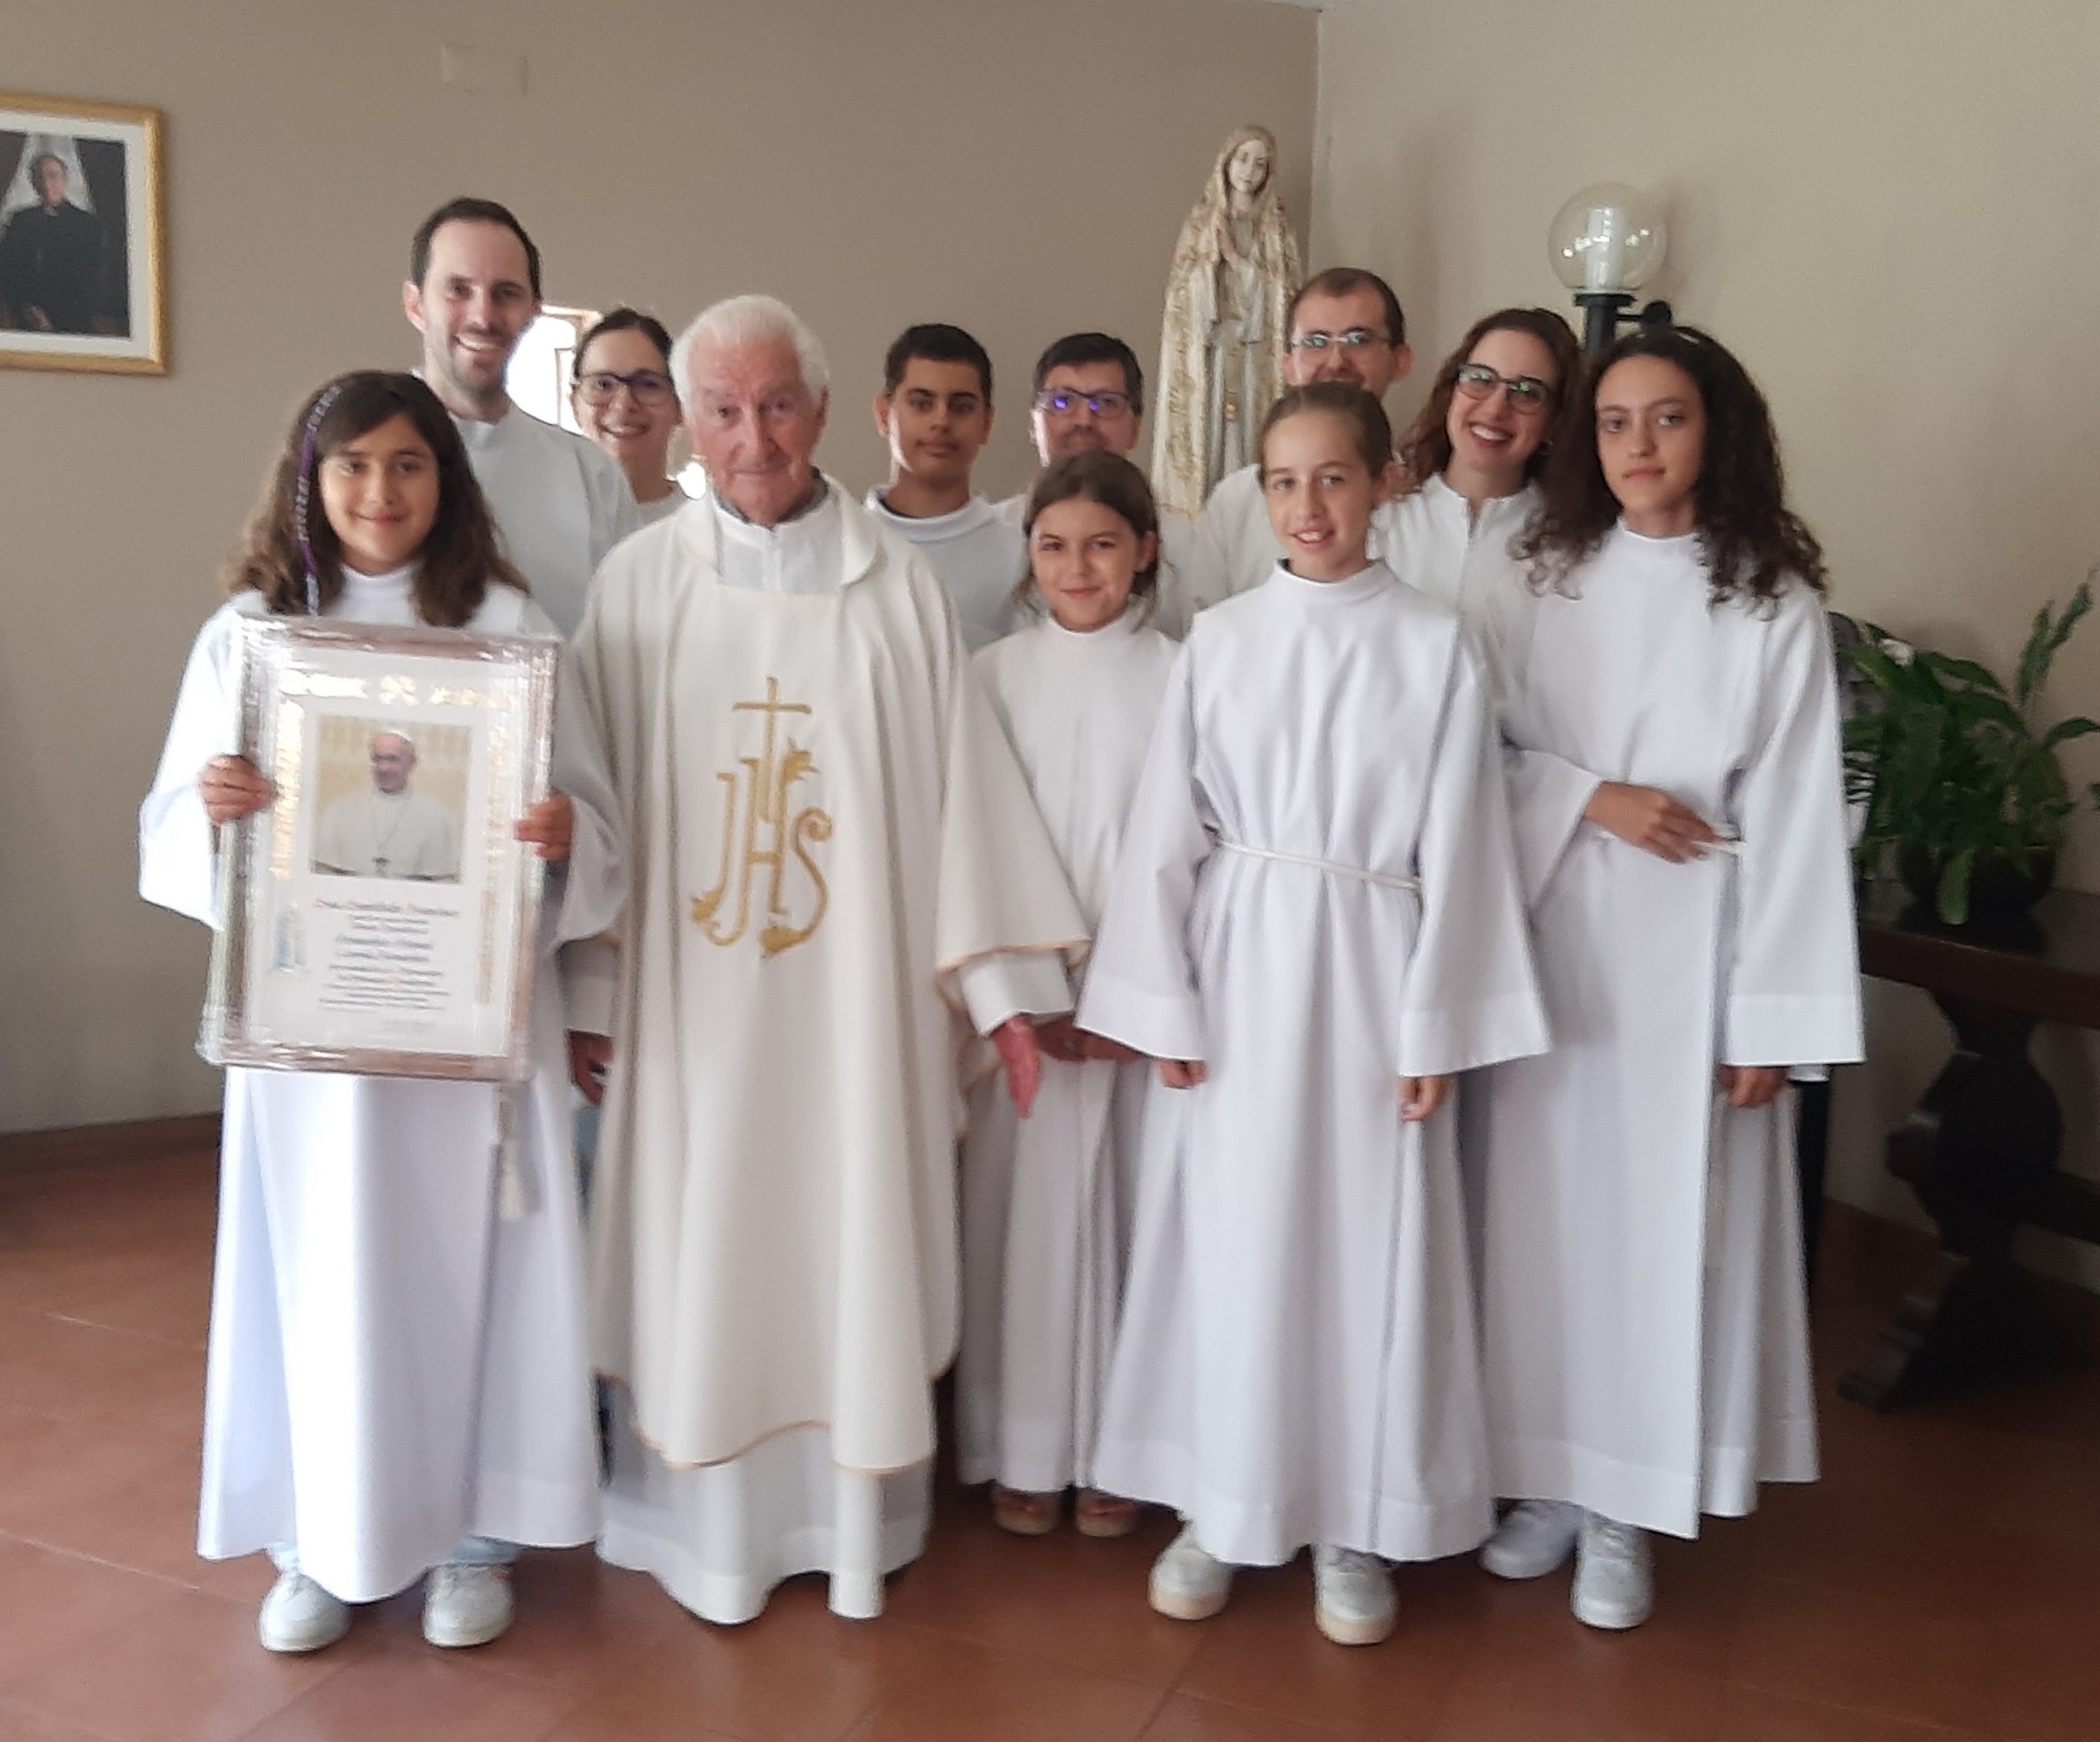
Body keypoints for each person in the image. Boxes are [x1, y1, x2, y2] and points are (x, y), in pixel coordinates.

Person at [563, 294, 1090, 1627]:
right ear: (691, 422)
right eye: (724, 411)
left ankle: (851, 1528)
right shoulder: (637, 590)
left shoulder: (894, 590)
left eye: (778, 406)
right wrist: (591, 991)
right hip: (690, 1014)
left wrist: (999, 998)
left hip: (860, 1012)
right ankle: (705, 1531)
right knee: (705, 1242)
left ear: (822, 409)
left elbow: (963, 806)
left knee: (847, 1225)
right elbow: (594, 809)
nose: (755, 439)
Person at [137, 371, 619, 1655]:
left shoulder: (508, 624)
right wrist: (215, 812)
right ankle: (315, 1537)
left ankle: (474, 1535)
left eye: (408, 464)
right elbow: (169, 827)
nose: (380, 491)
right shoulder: (254, 634)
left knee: (467, 1269)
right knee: (321, 1268)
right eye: (352, 466)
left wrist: (563, 835)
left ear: (444, 481)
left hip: (469, 1034)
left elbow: (597, 820)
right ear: (310, 482)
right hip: (315, 1042)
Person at [1077, 383, 1547, 1647]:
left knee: (1359, 1243)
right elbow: (1168, 833)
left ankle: (1352, 1517)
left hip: (1374, 968)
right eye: (1284, 482)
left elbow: (1465, 841)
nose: (1308, 506)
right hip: (1240, 966)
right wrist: (1164, 1006)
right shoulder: (1223, 638)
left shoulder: (1436, 642)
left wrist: (1438, 1027)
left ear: (1383, 481)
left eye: (1333, 477)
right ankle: (1218, 1498)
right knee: (1230, 1238)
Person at [1472, 326, 1862, 1631]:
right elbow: (1475, 751)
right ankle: (1546, 1477)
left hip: (1696, 951)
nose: (1638, 445)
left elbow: (1801, 819)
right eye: (1615, 420)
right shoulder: (1538, 576)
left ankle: (1629, 1505)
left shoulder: (1770, 606)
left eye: (1669, 417)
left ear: (1719, 431)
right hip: (1555, 939)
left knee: (1661, 1230)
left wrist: (1771, 1019)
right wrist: (1593, 797)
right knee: (1542, 1220)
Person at [957, 451, 1178, 1540]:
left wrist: (1135, 1001)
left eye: (1101, 544)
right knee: (1025, 1235)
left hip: (1137, 1013)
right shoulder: (989, 678)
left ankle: (1124, 1447)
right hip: (1028, 1018)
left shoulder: (1187, 675)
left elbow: (1197, 848)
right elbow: (968, 848)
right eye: (1052, 546)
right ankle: (1026, 1444)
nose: (1076, 567)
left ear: (1145, 553)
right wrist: (1020, 995)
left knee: (1138, 1227)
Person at [403, 196, 639, 635]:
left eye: (505, 294)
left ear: (534, 311)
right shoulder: (357, 466)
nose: (483, 316)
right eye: (458, 290)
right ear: (416, 305)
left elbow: (626, 644)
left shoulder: (591, 476)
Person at [1183, 267, 1414, 615]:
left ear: (1400, 361)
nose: (1336, 362)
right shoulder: (1236, 503)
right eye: (1316, 342)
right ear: (1289, 365)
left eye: (1358, 340)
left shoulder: (1425, 503)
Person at [1386, 308, 1582, 628]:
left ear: (1555, 421)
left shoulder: (1568, 545)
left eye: (1527, 393)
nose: (1495, 409)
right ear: (1451, 392)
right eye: (1480, 379)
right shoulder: (1382, 517)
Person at [998, 333, 1195, 636]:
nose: (1084, 421)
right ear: (1033, 424)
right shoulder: (996, 534)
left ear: (1136, 427)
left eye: (1106, 403)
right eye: (1062, 402)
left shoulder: (1186, 547)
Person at [1152, 125, 1302, 520]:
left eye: (1260, 164)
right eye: (1243, 159)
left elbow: (1282, 297)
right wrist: (1211, 266)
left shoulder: (1275, 230)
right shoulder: (1202, 224)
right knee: (1209, 432)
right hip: (1211, 349)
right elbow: (1183, 297)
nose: (1249, 172)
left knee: (1250, 432)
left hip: (1255, 351)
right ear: (1226, 162)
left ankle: (1251, 514)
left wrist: (1237, 261)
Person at [864, 323, 1024, 651]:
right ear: (884, 415)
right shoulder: (848, 538)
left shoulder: (1022, 551)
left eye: (961, 407)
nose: (941, 421)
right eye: (922, 404)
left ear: (986, 423)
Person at [571, 307, 687, 526]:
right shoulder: (538, 523)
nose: (623, 405)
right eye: (603, 385)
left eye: (648, 385)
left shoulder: (708, 532)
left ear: (681, 406)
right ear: (574, 403)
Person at [313, 730, 462, 881]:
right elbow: (324, 876)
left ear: (412, 763)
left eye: (393, 759)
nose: (383, 768)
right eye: (377, 759)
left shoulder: (437, 816)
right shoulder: (340, 810)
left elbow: (442, 882)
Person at [0, 150, 100, 333]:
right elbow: (8, 270)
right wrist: (26, 309)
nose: (46, 184)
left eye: (53, 176)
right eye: (39, 177)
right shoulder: (20, 220)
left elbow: (90, 279)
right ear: (33, 183)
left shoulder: (87, 225)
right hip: (25, 317)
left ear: (65, 180)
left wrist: (52, 322)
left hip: (72, 320)